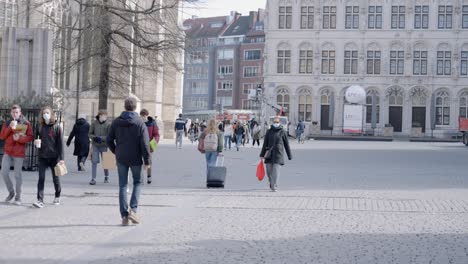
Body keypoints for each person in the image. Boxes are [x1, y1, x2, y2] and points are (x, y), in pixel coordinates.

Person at [107, 97, 151, 226]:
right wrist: (147, 160)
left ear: (125, 107)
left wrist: (116, 151)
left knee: (122, 185)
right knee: (138, 182)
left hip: (121, 157)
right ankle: (133, 210)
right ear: (135, 107)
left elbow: (109, 140)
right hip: (136, 157)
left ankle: (124, 216)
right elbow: (145, 144)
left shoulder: (116, 122)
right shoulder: (140, 122)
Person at [0, 105, 33, 205]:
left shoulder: (26, 123)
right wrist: (10, 127)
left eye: (16, 112)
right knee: (4, 172)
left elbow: (30, 137)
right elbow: (2, 136)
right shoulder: (7, 123)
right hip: (8, 152)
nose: (14, 114)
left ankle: (18, 198)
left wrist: (19, 139)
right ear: (11, 113)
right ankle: (11, 193)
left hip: (19, 153)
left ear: (20, 113)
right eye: (13, 112)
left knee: (17, 175)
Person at [33, 106, 65, 208]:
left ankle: (57, 196)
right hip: (42, 156)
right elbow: (36, 137)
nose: (45, 114)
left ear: (51, 114)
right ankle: (40, 200)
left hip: (54, 157)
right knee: (41, 178)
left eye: (47, 113)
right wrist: (35, 142)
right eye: (43, 113)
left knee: (56, 178)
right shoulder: (40, 126)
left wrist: (62, 159)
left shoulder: (57, 127)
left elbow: (60, 144)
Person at [260, 117, 292, 192]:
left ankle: (274, 185)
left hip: (278, 153)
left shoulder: (282, 131)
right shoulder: (269, 131)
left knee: (276, 171)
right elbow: (265, 144)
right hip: (269, 154)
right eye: (274, 122)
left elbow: (286, 144)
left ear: (279, 123)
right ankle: (271, 182)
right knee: (269, 171)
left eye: (277, 122)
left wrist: (289, 155)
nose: (276, 123)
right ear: (272, 122)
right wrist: (262, 154)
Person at [88, 109, 111, 185]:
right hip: (95, 145)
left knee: (106, 162)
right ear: (100, 116)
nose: (105, 117)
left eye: (106, 116)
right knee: (94, 161)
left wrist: (101, 138)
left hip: (104, 145)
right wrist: (94, 137)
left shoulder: (108, 124)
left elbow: (109, 136)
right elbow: (89, 133)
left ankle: (106, 176)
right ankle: (93, 178)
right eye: (104, 115)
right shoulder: (94, 123)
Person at [140, 109, 160, 184]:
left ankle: (149, 176)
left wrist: (153, 145)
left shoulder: (152, 123)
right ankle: (141, 179)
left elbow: (156, 134)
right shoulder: (138, 123)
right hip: (140, 146)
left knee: (148, 162)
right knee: (139, 163)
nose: (143, 117)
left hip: (149, 146)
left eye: (144, 116)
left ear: (147, 116)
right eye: (142, 116)